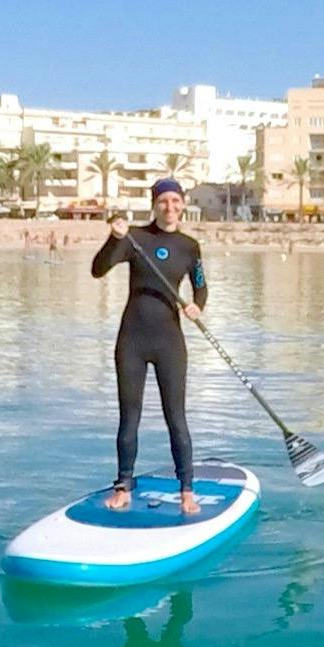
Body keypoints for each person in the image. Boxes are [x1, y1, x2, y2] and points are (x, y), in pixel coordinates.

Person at [91, 177, 208, 514]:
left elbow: (200, 286)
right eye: (162, 201)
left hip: (169, 341)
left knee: (177, 418)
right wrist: (113, 239)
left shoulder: (189, 246)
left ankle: (187, 489)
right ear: (154, 204)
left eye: (175, 201)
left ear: (182, 204)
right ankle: (124, 485)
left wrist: (197, 305)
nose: (169, 207)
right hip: (132, 340)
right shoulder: (134, 238)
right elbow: (98, 270)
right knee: (130, 417)